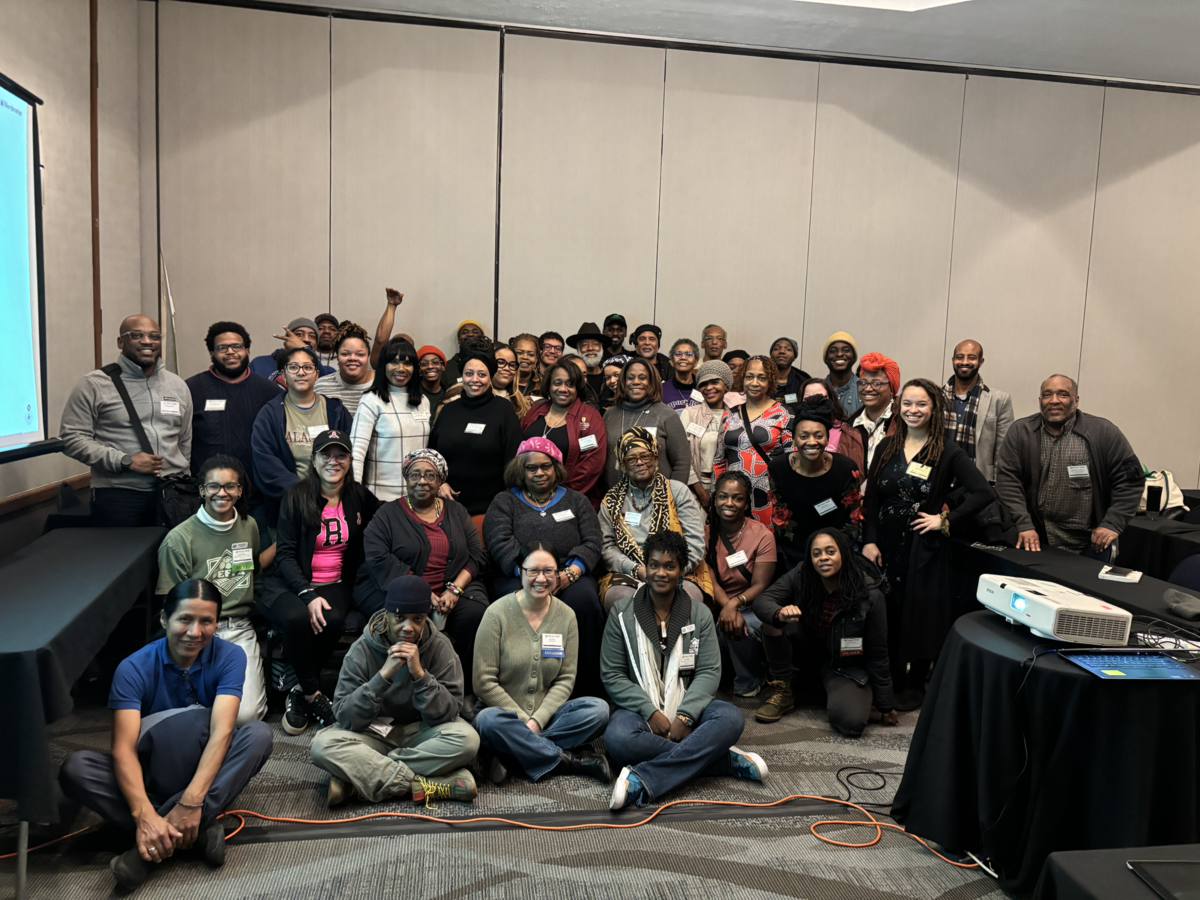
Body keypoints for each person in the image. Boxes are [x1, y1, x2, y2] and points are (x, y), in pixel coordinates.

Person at [58, 579, 272, 890]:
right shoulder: (133, 668)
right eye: (184, 619)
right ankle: (194, 831)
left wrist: (190, 803)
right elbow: (123, 750)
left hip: (201, 772)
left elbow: (222, 733)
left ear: (217, 623)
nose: (195, 632)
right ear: (164, 619)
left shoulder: (231, 656)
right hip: (150, 774)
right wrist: (144, 814)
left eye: (206, 621)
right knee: (76, 769)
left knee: (258, 735)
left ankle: (150, 848)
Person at [602, 531, 766, 810]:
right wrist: (649, 711)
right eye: (654, 565)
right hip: (638, 711)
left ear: (681, 571)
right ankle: (721, 761)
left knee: (730, 717)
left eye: (670, 566)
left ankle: (644, 778)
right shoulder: (621, 613)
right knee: (617, 738)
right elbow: (613, 674)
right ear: (645, 567)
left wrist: (686, 716)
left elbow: (709, 671)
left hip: (690, 705)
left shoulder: (699, 613)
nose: (661, 573)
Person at [862, 378, 994, 708]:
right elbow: (872, 498)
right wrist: (869, 541)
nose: (913, 410)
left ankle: (916, 682)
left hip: (924, 545)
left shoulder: (947, 451)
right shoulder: (886, 446)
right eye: (907, 403)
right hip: (885, 544)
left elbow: (983, 492)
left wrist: (945, 520)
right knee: (889, 609)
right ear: (898, 406)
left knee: (921, 611)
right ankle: (892, 675)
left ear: (934, 409)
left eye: (921, 404)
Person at [310, 575, 480, 807]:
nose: (408, 627)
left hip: (422, 732)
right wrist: (382, 677)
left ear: (426, 617)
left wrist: (420, 675)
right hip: (373, 733)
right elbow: (345, 717)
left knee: (468, 740)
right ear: (387, 615)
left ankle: (361, 776)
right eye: (399, 618)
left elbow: (448, 713)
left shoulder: (440, 647)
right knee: (322, 746)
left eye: (417, 619)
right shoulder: (362, 648)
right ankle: (428, 784)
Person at [261, 430, 382, 736]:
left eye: (340, 455)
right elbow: (285, 554)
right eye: (325, 454)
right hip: (291, 581)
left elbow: (389, 514)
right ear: (313, 460)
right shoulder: (296, 496)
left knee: (333, 617)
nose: (333, 461)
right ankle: (314, 694)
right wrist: (307, 593)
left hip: (336, 581)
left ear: (350, 460)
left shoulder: (358, 496)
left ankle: (299, 691)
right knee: (296, 617)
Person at [473, 540, 612, 785]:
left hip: (547, 715)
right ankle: (571, 761)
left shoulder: (567, 616)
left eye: (548, 571)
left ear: (557, 574)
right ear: (520, 571)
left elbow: (565, 679)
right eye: (533, 571)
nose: (541, 578)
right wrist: (523, 719)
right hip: (504, 715)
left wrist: (537, 721)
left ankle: (512, 755)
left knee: (598, 710)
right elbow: (483, 682)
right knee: (487, 721)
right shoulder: (496, 615)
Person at [360, 449, 489, 694]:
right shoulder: (387, 514)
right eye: (415, 475)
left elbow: (476, 554)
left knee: (474, 614)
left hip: (452, 585)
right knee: (401, 616)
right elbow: (378, 557)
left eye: (430, 475)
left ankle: (460, 688)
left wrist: (455, 589)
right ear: (406, 479)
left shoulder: (456, 511)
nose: (422, 481)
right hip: (400, 586)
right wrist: (420, 592)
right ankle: (400, 691)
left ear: (440, 481)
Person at [483, 438, 606, 696]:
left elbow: (593, 541)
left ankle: (586, 689)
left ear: (556, 468)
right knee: (512, 602)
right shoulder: (504, 501)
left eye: (545, 466)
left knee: (585, 602)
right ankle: (517, 686)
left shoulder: (577, 501)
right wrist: (532, 575)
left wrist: (570, 573)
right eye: (531, 468)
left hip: (568, 572)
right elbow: (499, 541)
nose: (539, 472)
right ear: (521, 470)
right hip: (519, 573)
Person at [751, 529, 899, 735]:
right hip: (807, 653)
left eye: (830, 552)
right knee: (773, 621)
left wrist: (886, 704)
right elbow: (763, 600)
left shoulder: (869, 593)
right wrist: (780, 613)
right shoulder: (802, 574)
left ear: (844, 554)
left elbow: (878, 653)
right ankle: (783, 692)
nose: (823, 558)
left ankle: (823, 690)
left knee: (851, 724)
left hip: (845, 666)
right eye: (816, 553)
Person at [155, 455, 266, 726]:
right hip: (195, 632)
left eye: (230, 486)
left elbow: (252, 570)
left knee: (246, 716)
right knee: (190, 715)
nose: (222, 493)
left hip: (239, 628)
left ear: (240, 490)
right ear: (202, 490)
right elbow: (172, 608)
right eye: (213, 486)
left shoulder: (249, 526)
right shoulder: (178, 540)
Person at [61, 314, 193, 527]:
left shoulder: (178, 385)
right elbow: (71, 438)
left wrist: (181, 477)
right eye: (137, 335)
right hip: (119, 497)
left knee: (174, 550)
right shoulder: (95, 384)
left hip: (174, 495)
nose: (147, 341)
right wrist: (124, 460)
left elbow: (184, 439)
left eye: (154, 336)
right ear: (120, 342)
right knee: (122, 550)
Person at [994, 374, 1144, 559]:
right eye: (1047, 395)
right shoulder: (1021, 432)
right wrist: (1023, 524)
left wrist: (1112, 524)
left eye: (1063, 394)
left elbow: (1130, 482)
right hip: (1034, 539)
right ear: (1040, 400)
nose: (1054, 400)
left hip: (1087, 544)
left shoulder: (1103, 432)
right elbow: (1008, 483)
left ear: (1076, 400)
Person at [598, 427, 710, 611]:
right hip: (630, 572)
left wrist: (669, 570)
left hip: (678, 569)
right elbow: (606, 548)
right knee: (620, 599)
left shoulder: (677, 491)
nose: (639, 462)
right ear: (623, 466)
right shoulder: (611, 501)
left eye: (645, 456)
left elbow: (695, 543)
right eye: (631, 459)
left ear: (656, 460)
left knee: (687, 599)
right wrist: (636, 569)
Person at [185, 322, 281, 529]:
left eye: (237, 346)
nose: (230, 352)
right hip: (208, 498)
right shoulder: (191, 389)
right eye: (222, 347)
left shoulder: (269, 391)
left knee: (256, 549)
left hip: (258, 499)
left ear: (247, 350)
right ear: (212, 353)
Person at [250, 345, 352, 526]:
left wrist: (332, 494)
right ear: (283, 374)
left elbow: (352, 453)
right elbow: (265, 462)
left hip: (335, 506)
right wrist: (303, 495)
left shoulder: (336, 410)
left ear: (317, 374)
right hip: (289, 508)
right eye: (293, 367)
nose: (301, 372)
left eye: (307, 367)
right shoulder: (270, 414)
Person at [767, 398, 863, 574]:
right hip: (795, 554)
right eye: (803, 436)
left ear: (827, 439)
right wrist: (804, 559)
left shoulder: (846, 469)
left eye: (818, 436)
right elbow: (782, 520)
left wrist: (828, 554)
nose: (811, 442)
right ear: (793, 440)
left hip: (836, 554)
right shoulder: (778, 468)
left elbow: (850, 520)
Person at [426, 345, 522, 517]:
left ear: (490, 377)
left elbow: (515, 462)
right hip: (446, 507)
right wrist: (440, 482)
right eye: (469, 373)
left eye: (482, 374)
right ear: (462, 376)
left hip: (490, 510)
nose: (474, 379)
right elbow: (432, 454)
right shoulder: (448, 410)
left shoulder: (503, 409)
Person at [706, 471, 776, 699]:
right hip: (716, 606)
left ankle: (750, 679)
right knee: (719, 626)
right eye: (723, 496)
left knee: (734, 626)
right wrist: (727, 606)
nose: (729, 503)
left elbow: (761, 584)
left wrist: (734, 605)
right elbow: (710, 580)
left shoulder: (762, 535)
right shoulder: (705, 535)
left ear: (746, 503)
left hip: (753, 606)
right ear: (714, 499)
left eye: (737, 498)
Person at [713, 355, 792, 527]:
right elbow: (719, 461)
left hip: (769, 497)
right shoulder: (729, 414)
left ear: (770, 381)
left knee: (765, 540)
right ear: (742, 379)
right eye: (749, 377)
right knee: (734, 540)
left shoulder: (784, 414)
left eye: (761, 378)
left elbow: (792, 461)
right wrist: (716, 495)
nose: (754, 383)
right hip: (732, 497)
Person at [350, 338, 431, 503]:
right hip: (380, 498)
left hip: (417, 496)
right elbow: (356, 452)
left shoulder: (423, 401)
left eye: (407, 363)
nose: (401, 369)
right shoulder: (371, 400)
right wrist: (354, 492)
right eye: (394, 362)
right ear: (383, 365)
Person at [520, 361, 608, 501]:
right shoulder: (535, 411)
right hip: (528, 495)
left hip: (569, 498)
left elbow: (592, 464)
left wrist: (560, 495)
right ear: (549, 385)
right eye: (557, 383)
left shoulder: (591, 417)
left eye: (569, 384)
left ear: (577, 387)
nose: (563, 389)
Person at [602, 358, 691, 490]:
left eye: (642, 377)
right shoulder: (610, 415)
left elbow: (682, 462)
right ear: (623, 382)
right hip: (615, 497)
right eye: (630, 377)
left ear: (652, 382)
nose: (636, 381)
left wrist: (672, 495)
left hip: (658, 498)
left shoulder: (667, 415)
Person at [942, 339, 1014, 483]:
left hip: (978, 483)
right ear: (953, 360)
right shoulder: (935, 397)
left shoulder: (999, 400)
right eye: (960, 357)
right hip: (938, 479)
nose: (965, 362)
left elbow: (1003, 452)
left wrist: (997, 486)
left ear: (981, 362)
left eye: (971, 357)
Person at [433, 338, 530, 421]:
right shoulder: (456, 395)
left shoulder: (521, 403)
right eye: (500, 362)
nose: (507, 368)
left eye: (512, 365)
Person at [680, 360, 732, 508]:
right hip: (695, 487)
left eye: (715, 382)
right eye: (703, 384)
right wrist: (700, 491)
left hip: (726, 488)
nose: (709, 388)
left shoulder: (735, 416)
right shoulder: (690, 414)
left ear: (726, 385)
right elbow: (682, 455)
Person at [798, 378, 866, 474]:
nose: (815, 402)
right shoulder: (794, 429)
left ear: (831, 400)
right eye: (808, 398)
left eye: (821, 397)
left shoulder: (847, 432)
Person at [248, 317, 334, 384]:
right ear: (287, 340)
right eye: (299, 334)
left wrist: (304, 348)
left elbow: (326, 385)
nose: (306, 339)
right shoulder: (260, 363)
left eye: (312, 337)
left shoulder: (327, 371)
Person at [314, 322, 374, 417]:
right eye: (345, 354)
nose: (353, 358)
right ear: (337, 357)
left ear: (368, 357)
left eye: (360, 354)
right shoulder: (321, 386)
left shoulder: (384, 384)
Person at [851, 351, 899, 470]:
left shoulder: (904, 422)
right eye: (863, 383)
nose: (868, 389)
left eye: (876, 383)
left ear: (891, 388)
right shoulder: (849, 425)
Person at [822, 332, 861, 416]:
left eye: (846, 350)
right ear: (826, 358)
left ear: (854, 357)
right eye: (833, 351)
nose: (839, 354)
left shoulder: (864, 389)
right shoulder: (818, 390)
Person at [440, 319, 488, 388]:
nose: (470, 334)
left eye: (475, 332)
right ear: (459, 339)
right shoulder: (447, 368)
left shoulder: (489, 365)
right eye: (465, 332)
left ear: (482, 338)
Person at [567, 321, 607, 398]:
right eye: (584, 345)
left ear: (601, 348)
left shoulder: (610, 375)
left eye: (595, 344)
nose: (590, 348)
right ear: (578, 349)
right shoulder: (571, 376)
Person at [661, 338, 703, 412]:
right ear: (671, 362)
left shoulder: (703, 388)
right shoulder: (661, 390)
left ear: (696, 362)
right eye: (678, 354)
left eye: (689, 354)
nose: (683, 357)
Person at [769, 337, 811, 406]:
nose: (782, 351)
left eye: (788, 349)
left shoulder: (803, 382)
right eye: (776, 348)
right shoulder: (760, 378)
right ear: (771, 355)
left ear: (794, 357)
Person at [510, 333, 542, 398]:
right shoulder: (500, 382)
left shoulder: (543, 387)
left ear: (536, 359)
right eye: (519, 353)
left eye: (531, 354)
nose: (525, 357)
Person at [417, 345, 447, 411]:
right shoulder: (411, 392)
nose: (430, 366)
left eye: (435, 362)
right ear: (419, 369)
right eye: (424, 363)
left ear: (443, 366)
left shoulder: (449, 395)